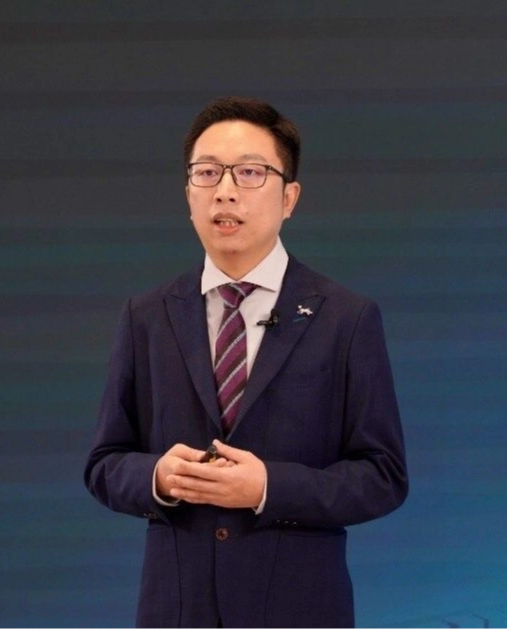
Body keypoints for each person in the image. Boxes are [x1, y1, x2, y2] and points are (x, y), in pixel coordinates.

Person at [84, 96, 408, 629]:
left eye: (250, 172)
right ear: (189, 195)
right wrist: (159, 477)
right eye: (207, 173)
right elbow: (104, 464)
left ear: (289, 197)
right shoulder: (147, 316)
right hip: (177, 611)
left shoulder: (346, 319)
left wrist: (267, 488)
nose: (225, 190)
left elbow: (383, 476)